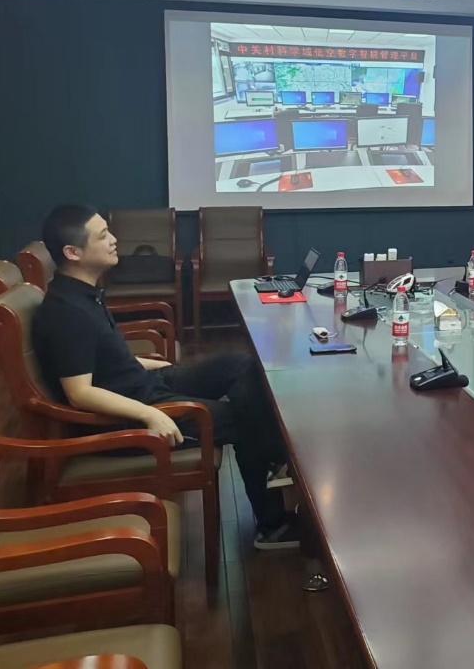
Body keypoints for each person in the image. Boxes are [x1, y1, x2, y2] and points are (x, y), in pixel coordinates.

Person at [31, 205, 299, 549]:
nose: (114, 240)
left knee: (240, 364)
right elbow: (80, 393)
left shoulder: (81, 294)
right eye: (103, 236)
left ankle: (273, 456)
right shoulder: (67, 313)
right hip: (126, 415)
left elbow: (99, 358)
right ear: (73, 252)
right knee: (248, 421)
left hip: (141, 386)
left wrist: (141, 362)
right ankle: (272, 522)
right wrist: (150, 415)